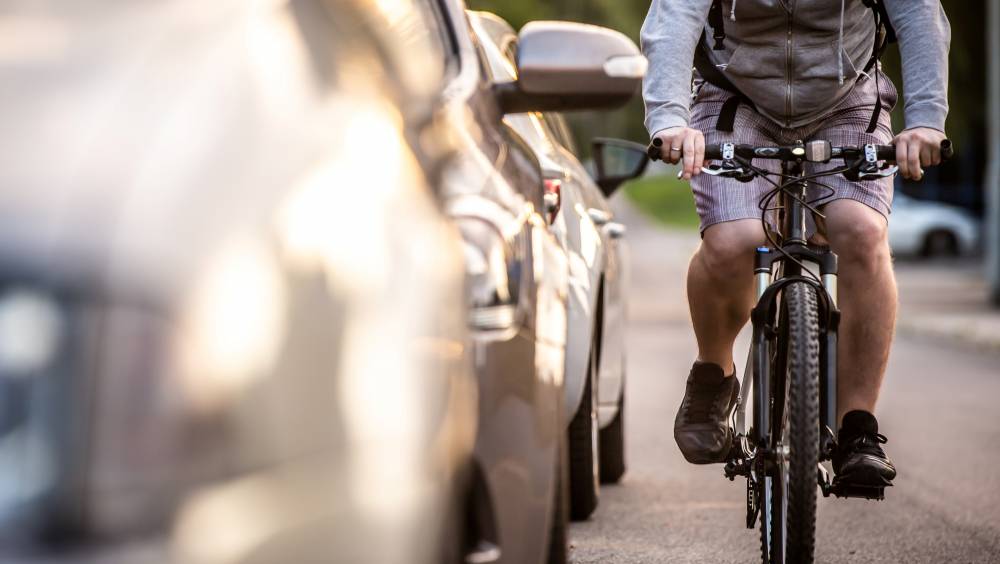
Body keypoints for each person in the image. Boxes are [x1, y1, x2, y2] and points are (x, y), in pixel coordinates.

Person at [640, 0, 950, 487]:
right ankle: (714, 373)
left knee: (861, 232)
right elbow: (675, 18)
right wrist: (669, 118)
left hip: (847, 102)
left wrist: (928, 120)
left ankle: (858, 429)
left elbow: (919, 15)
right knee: (734, 241)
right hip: (734, 99)